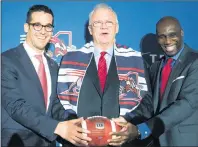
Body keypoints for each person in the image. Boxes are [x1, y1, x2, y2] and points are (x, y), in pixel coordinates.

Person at [57, 3, 149, 146]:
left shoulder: (136, 59)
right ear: (90, 29)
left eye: (109, 22)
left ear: (117, 28)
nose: (104, 26)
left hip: (122, 141)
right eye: (98, 22)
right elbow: (58, 100)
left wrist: (131, 123)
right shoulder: (70, 58)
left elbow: (147, 100)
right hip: (80, 141)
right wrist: (72, 126)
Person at [1, 5, 91, 147]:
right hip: (17, 141)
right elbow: (15, 105)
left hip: (48, 143)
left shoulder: (53, 66)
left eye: (48, 26)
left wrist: (75, 123)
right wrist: (57, 128)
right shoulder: (6, 60)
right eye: (37, 25)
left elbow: (55, 104)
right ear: (26, 27)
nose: (43, 31)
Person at [108, 16, 198, 146]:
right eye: (162, 36)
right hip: (156, 142)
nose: (167, 41)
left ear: (182, 33)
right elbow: (149, 103)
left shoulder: (194, 62)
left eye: (172, 35)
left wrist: (145, 128)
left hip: (183, 141)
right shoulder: (155, 67)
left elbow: (187, 104)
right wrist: (125, 119)